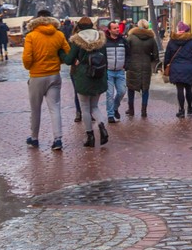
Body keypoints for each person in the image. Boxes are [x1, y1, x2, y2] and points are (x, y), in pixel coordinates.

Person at [22, 10, 70, 151]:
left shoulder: (31, 36)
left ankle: (34, 138)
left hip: (37, 76)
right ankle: (58, 139)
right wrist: (58, 62)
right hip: (54, 75)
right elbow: (67, 53)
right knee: (55, 108)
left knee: (35, 109)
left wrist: (30, 67)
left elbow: (27, 58)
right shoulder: (59, 34)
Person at [63, 17, 109, 148]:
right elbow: (105, 58)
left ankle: (90, 136)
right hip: (99, 75)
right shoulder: (101, 39)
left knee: (85, 108)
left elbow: (68, 60)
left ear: (79, 27)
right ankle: (102, 127)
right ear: (91, 25)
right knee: (94, 106)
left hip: (83, 77)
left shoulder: (77, 41)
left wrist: (61, 53)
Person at [165, 22, 192, 117]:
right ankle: (190, 107)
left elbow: (167, 57)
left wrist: (166, 66)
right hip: (189, 68)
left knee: (180, 89)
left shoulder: (172, 41)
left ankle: (181, 110)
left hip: (176, 68)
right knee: (189, 88)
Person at [126, 19, 158, 117]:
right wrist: (149, 59)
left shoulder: (131, 37)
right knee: (145, 89)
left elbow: (126, 51)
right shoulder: (152, 39)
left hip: (132, 65)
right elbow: (156, 55)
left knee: (131, 87)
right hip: (146, 66)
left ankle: (131, 110)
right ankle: (144, 111)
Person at [102, 20, 129, 123]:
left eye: (118, 28)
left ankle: (115, 107)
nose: (117, 29)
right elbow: (101, 56)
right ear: (109, 30)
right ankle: (110, 115)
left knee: (122, 91)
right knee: (109, 93)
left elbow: (128, 54)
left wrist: (126, 65)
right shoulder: (104, 42)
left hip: (120, 71)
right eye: (115, 28)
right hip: (108, 71)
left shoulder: (123, 40)